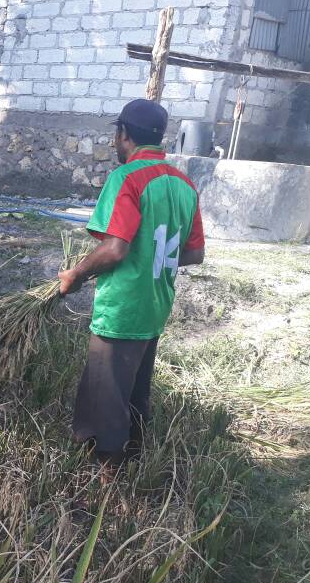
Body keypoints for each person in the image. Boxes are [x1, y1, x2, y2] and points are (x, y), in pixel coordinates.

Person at [57, 99, 205, 466]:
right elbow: (194, 253)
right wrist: (152, 260)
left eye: (115, 134)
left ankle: (109, 477)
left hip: (123, 306)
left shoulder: (127, 178)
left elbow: (115, 249)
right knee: (132, 387)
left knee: (109, 392)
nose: (113, 143)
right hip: (155, 304)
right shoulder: (184, 184)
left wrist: (76, 275)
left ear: (124, 134)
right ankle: (132, 453)